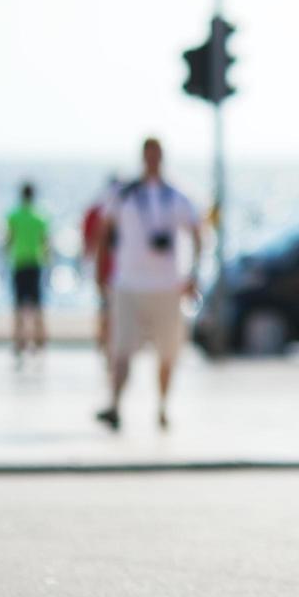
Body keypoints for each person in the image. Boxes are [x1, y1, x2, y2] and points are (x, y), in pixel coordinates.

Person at [95, 139, 202, 431]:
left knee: (168, 352)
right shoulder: (124, 194)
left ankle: (163, 407)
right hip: (128, 283)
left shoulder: (176, 196)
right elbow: (104, 235)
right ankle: (115, 405)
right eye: (148, 154)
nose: (152, 159)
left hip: (167, 286)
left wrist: (192, 274)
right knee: (121, 349)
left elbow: (197, 232)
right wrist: (100, 276)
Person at [5, 181, 50, 365]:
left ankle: (19, 342)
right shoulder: (40, 217)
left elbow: (9, 239)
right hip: (35, 263)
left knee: (18, 306)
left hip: (19, 262)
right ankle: (39, 342)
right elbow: (45, 242)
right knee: (37, 305)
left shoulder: (13, 216)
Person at [81, 175, 120, 361]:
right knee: (109, 307)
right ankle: (107, 344)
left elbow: (88, 241)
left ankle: (105, 343)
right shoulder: (115, 210)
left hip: (108, 267)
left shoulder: (97, 210)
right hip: (110, 267)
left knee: (106, 307)